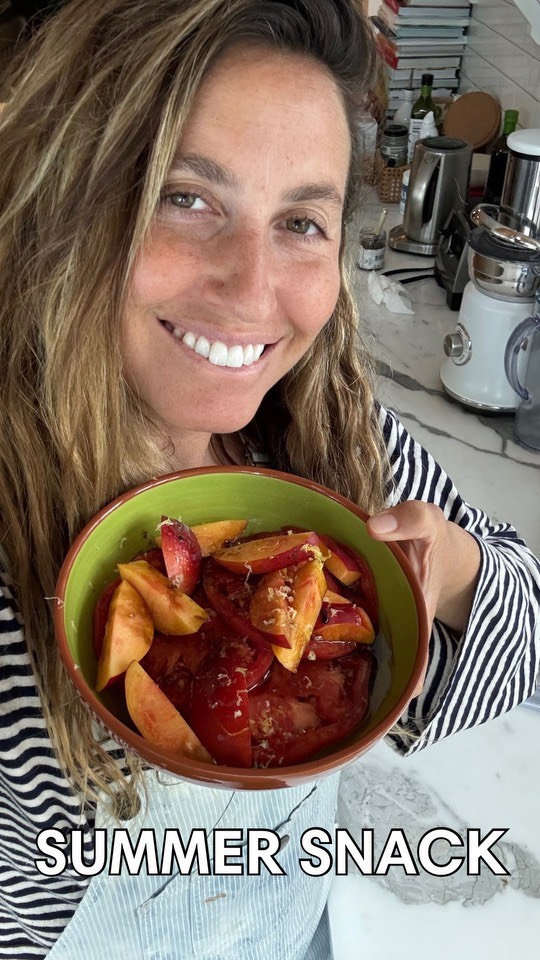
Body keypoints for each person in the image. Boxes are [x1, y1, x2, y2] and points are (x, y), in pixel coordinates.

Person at [0, 1, 538, 957]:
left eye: (300, 221)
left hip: (286, 922)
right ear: (63, 201)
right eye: (184, 197)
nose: (252, 290)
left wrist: (453, 576)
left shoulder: (338, 438)